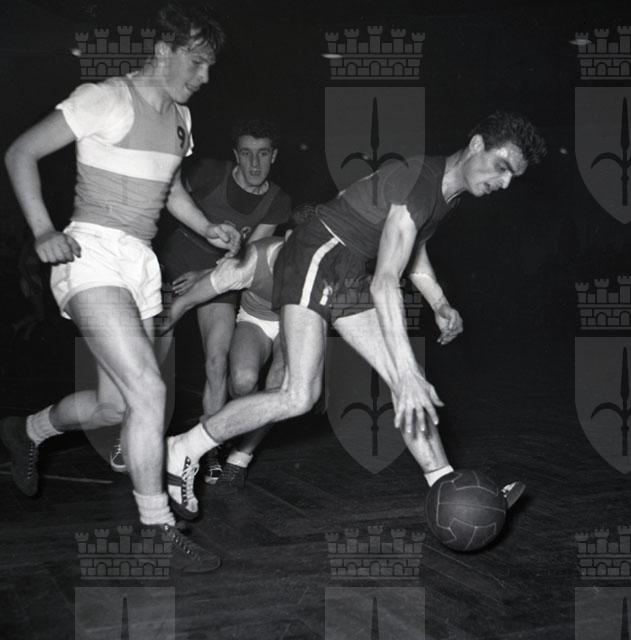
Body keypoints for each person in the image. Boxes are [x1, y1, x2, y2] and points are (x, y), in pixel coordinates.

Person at [165, 111, 546, 520]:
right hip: (317, 253)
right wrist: (408, 370)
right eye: (502, 167)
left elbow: (412, 251)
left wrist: (438, 302)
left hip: (346, 268)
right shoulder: (422, 183)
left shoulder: (444, 192)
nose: (505, 182)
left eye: (513, 176)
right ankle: (185, 447)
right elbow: (385, 282)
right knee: (300, 395)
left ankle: (448, 487)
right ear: (476, 146)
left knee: (406, 380)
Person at [1, 2, 240, 573]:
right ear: (163, 52)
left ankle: (25, 430)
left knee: (116, 404)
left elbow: (170, 187)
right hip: (91, 256)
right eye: (197, 62)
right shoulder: (105, 98)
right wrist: (42, 230)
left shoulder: (181, 120)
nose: (205, 76)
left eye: (210, 66)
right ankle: (157, 527)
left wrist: (206, 227)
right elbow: (20, 152)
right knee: (149, 391)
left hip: (139, 266)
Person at [159, 117, 291, 483]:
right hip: (171, 270)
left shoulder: (277, 200)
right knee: (153, 360)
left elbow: (250, 256)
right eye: (246, 153)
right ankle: (132, 429)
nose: (254, 163)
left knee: (217, 363)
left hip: (218, 281)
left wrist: (204, 275)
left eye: (262, 154)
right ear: (235, 155)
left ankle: (207, 452)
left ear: (274, 156)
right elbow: (166, 193)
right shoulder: (208, 173)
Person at [161, 206, 314, 498]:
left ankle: (241, 457)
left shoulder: (325, 268)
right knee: (243, 382)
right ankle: (231, 425)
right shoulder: (252, 261)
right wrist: (152, 339)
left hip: (295, 324)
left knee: (280, 386)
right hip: (255, 320)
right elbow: (186, 302)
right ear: (289, 237)